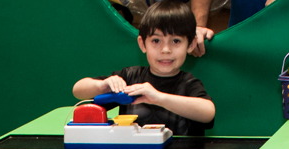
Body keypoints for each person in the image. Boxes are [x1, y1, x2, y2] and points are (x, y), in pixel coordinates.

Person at [73, 1, 216, 137]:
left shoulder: (189, 83)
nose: (166, 50)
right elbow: (78, 90)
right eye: (156, 41)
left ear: (190, 45)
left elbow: (208, 112)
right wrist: (103, 85)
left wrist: (158, 98)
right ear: (142, 44)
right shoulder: (129, 77)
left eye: (176, 41)